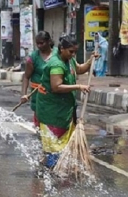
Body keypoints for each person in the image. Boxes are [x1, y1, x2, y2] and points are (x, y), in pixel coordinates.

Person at [36, 36, 95, 169]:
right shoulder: (56, 65)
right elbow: (56, 87)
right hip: (52, 112)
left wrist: (91, 60)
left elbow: (79, 69)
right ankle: (49, 174)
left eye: (75, 52)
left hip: (64, 111)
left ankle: (54, 169)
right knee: (54, 148)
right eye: (70, 51)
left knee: (62, 147)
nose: (73, 54)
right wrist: (78, 87)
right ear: (61, 49)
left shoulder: (69, 60)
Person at [20, 31, 57, 127]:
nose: (39, 46)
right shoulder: (34, 57)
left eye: (42, 43)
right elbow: (26, 76)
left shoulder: (58, 54)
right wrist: (24, 94)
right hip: (38, 96)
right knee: (40, 125)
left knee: (54, 124)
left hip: (55, 96)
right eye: (38, 44)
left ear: (48, 41)